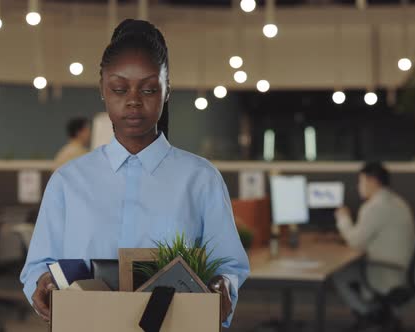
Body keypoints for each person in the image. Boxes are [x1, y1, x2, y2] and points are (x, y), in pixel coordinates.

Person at [20, 19, 250, 328]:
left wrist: (224, 286)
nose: (133, 101)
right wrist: (42, 283)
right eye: (119, 88)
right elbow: (38, 266)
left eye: (149, 89)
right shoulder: (68, 181)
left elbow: (229, 265)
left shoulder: (201, 179)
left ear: (167, 91)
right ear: (103, 90)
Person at [333, 162, 415, 327]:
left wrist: (343, 218)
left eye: (360, 182)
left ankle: (368, 314)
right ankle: (384, 313)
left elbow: (355, 242)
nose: (358, 187)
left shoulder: (375, 207)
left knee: (339, 275)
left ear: (372, 181)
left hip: (387, 273)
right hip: (404, 271)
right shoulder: (398, 202)